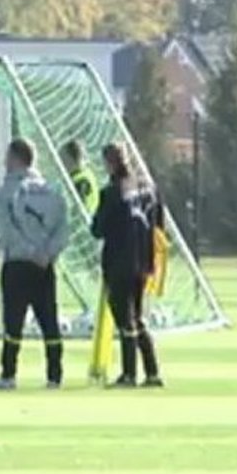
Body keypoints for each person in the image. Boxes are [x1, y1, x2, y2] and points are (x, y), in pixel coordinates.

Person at [0, 138, 69, 390]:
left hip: (18, 263)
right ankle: (54, 375)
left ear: (15, 158)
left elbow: (6, 228)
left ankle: (9, 374)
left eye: (7, 157)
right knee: (49, 320)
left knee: (13, 320)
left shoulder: (8, 191)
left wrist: (29, 251)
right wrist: (47, 253)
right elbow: (63, 230)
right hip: (44, 266)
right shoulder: (53, 191)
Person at [90, 143, 164, 388]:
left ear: (109, 163)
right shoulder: (148, 188)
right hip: (144, 260)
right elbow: (158, 225)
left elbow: (98, 230)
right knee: (138, 316)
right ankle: (152, 371)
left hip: (119, 261)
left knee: (125, 319)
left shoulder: (112, 193)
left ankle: (129, 373)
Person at [60, 140, 100, 215]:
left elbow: (79, 207)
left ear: (70, 158)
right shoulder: (86, 172)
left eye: (63, 157)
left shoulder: (81, 180)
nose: (61, 162)